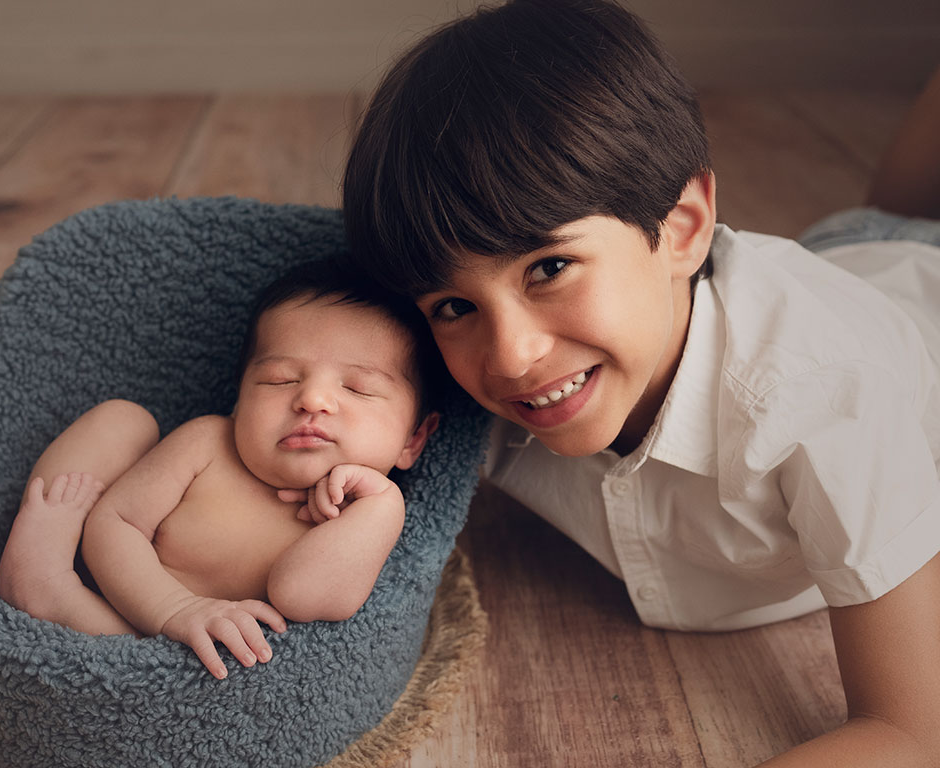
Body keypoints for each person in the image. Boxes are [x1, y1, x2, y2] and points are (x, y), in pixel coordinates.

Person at [342, 1, 940, 765]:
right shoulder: (455, 372)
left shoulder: (825, 399)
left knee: (898, 219)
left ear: (683, 228)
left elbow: (910, 730)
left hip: (914, 291)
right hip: (841, 254)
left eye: (549, 268)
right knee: (877, 218)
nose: (513, 355)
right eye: (455, 305)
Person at [0, 261, 440, 680]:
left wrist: (382, 505)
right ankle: (42, 562)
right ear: (240, 397)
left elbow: (302, 597)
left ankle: (48, 597)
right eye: (280, 379)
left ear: (412, 439)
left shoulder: (362, 516)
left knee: (143, 660)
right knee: (122, 420)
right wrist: (175, 609)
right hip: (105, 588)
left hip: (148, 647)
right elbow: (115, 522)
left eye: (358, 388)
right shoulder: (208, 442)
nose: (312, 399)